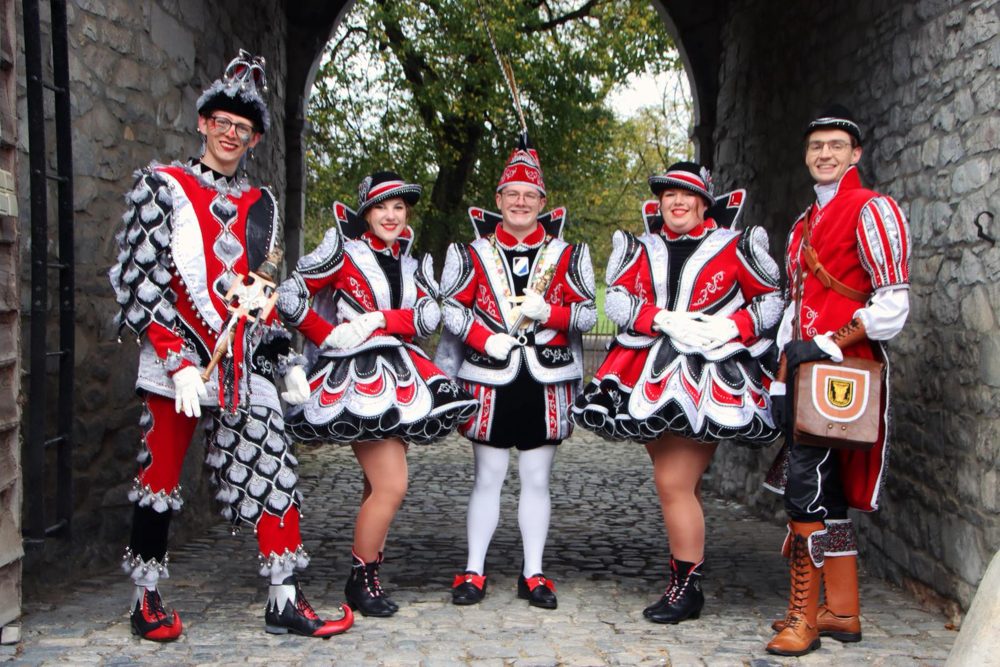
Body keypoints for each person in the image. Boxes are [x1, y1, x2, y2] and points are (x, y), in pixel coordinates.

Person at [109, 51, 352, 640]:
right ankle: (145, 601)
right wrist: (176, 358)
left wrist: (282, 359)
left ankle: (283, 599)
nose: (230, 134)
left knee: (273, 472)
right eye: (221, 121)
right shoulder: (160, 188)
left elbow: (258, 302)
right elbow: (140, 282)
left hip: (242, 366)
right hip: (178, 366)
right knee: (160, 479)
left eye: (242, 128)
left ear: (254, 138)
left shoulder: (261, 206)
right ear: (203, 123)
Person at [571, 162, 783, 623]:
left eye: (687, 195)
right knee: (675, 484)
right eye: (669, 195)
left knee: (673, 482)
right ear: (660, 202)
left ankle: (686, 587)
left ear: (705, 202)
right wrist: (663, 319)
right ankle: (686, 571)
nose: (678, 202)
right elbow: (621, 301)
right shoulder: (639, 247)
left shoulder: (738, 246)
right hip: (645, 374)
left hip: (709, 376)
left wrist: (732, 324)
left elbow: (770, 300)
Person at [275, 171, 478, 617]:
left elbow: (427, 317)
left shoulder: (412, 261)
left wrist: (380, 320)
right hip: (358, 377)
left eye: (399, 207)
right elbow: (289, 296)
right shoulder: (342, 251)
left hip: (404, 376)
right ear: (367, 212)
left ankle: (369, 575)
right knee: (392, 484)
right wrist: (331, 333)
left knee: (377, 484)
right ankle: (359, 577)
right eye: (382, 206)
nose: (391, 215)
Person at [764, 105, 911, 656]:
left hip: (844, 371)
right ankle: (842, 611)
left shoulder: (873, 210)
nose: (824, 154)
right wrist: (782, 373)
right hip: (803, 371)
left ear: (856, 153)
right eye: (815, 146)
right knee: (827, 491)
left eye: (835, 145)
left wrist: (833, 340)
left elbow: (893, 304)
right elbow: (795, 306)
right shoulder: (803, 223)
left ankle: (804, 618)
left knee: (807, 488)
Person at [436, 137, 596, 609]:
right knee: (487, 477)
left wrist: (552, 312)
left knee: (537, 479)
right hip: (488, 376)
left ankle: (534, 573)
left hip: (547, 379)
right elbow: (450, 309)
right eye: (512, 194)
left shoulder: (569, 255)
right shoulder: (468, 254)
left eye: (530, 195)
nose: (521, 202)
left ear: (543, 204)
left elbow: (588, 315)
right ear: (499, 200)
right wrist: (486, 340)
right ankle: (474, 570)